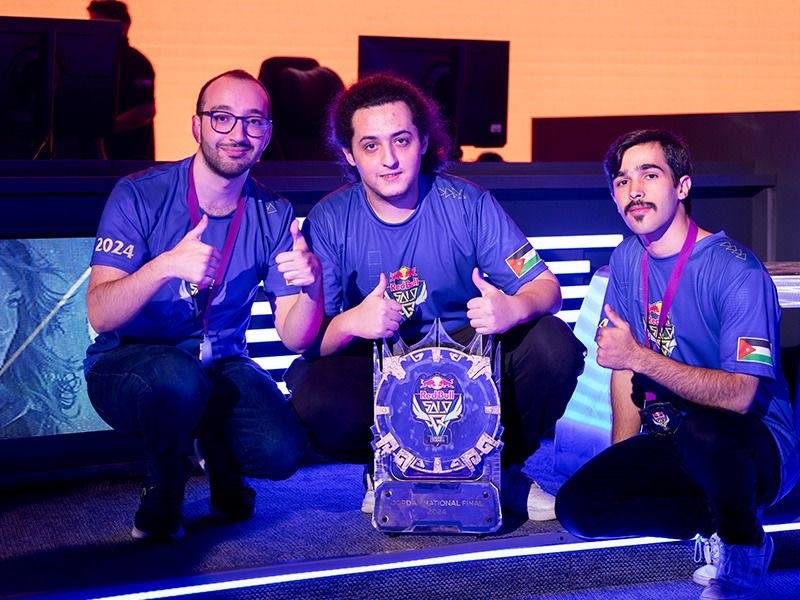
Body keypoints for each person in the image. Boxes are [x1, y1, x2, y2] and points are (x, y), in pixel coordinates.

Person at [285, 74, 586, 521]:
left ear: (423, 142)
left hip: (468, 355)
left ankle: (498, 469)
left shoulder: (468, 203)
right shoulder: (329, 219)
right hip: (379, 358)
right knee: (314, 393)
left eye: (401, 140)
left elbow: (547, 287)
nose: (389, 159)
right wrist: (352, 321)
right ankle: (385, 466)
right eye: (370, 146)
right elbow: (310, 344)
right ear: (349, 154)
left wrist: (514, 307)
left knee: (553, 344)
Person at [555, 130, 799, 599]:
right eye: (622, 182)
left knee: (703, 431)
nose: (635, 191)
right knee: (579, 510)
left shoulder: (737, 271)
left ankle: (743, 541)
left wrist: (638, 356)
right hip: (674, 434)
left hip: (754, 443)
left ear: (682, 186)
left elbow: (740, 395)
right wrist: (622, 456)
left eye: (649, 175)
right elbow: (623, 369)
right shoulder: (627, 259)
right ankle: (713, 519)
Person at [84, 69, 322, 540]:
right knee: (178, 379)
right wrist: (165, 265)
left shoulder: (273, 213)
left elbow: (295, 336)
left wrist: (313, 288)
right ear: (197, 126)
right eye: (222, 117)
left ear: (267, 135)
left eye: (254, 121)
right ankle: (164, 490)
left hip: (220, 363)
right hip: (130, 361)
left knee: (282, 452)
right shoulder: (140, 193)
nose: (238, 133)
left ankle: (212, 447)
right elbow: (100, 313)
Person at [88, 0, 156, 160]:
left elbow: (145, 110)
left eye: (100, 25)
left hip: (130, 156)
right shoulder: (88, 62)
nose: (93, 31)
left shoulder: (136, 62)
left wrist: (101, 128)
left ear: (123, 26)